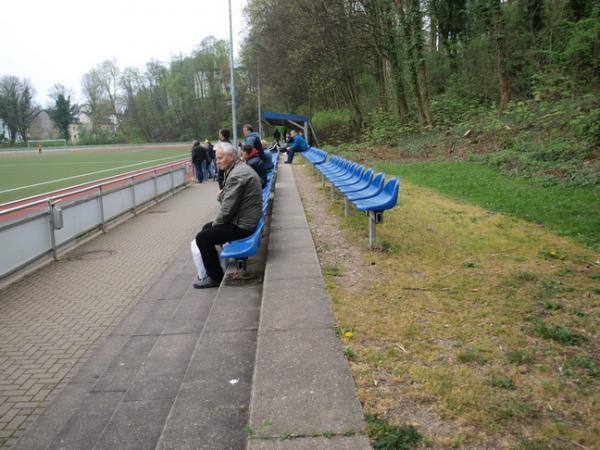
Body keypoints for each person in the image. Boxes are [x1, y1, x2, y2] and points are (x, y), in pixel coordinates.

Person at [193, 142, 263, 289]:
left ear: (232, 156)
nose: (217, 161)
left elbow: (227, 210)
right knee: (207, 228)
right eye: (217, 158)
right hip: (246, 219)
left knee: (202, 238)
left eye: (220, 158)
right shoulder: (238, 169)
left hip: (244, 225)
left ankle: (215, 277)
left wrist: (216, 223)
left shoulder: (237, 175)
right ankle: (216, 264)